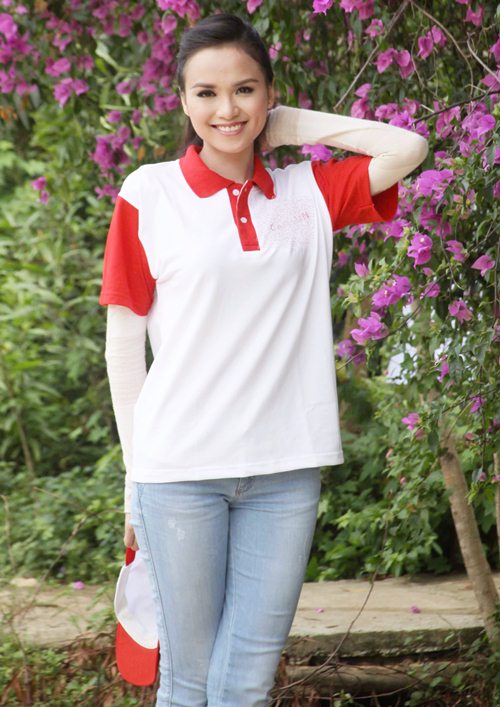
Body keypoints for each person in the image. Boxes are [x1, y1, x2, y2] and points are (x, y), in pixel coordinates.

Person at [99, 13, 428, 707]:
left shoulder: (309, 193)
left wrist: (290, 125)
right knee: (188, 680)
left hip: (285, 470)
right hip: (179, 472)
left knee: (246, 682)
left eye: (244, 90)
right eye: (207, 93)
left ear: (269, 94)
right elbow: (124, 344)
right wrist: (135, 477)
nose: (227, 108)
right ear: (183, 101)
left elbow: (408, 146)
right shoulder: (148, 194)